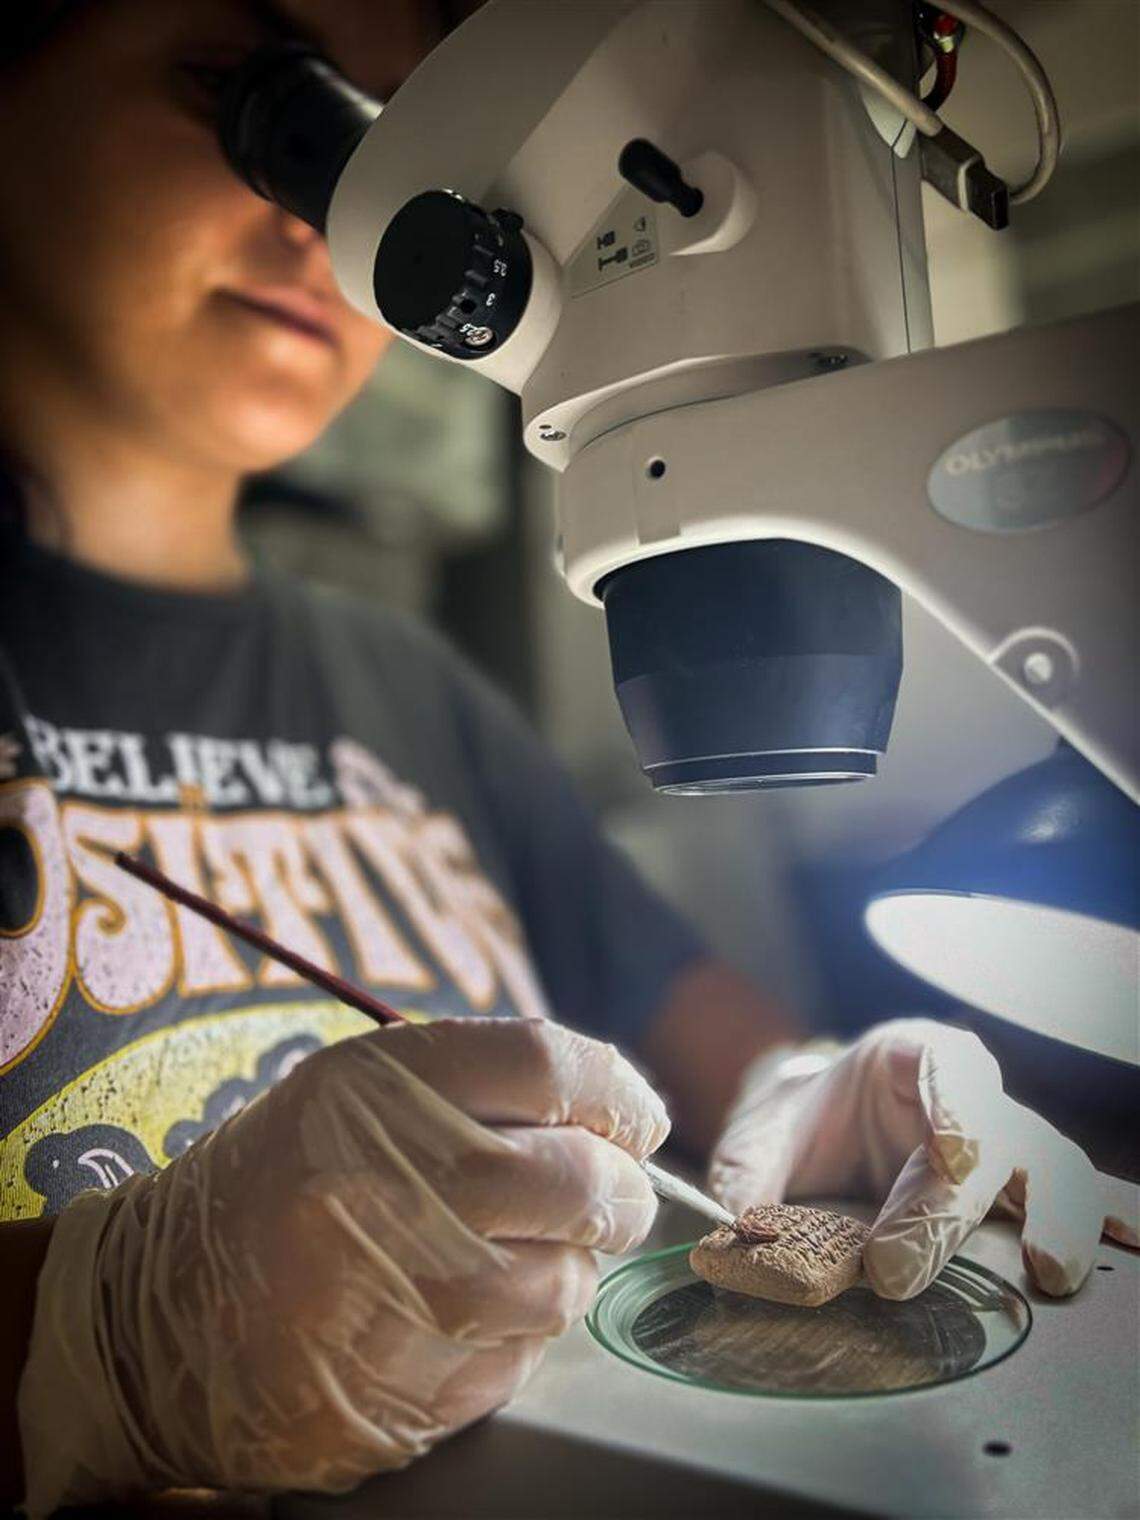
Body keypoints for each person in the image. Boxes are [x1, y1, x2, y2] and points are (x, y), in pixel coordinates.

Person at [0, 0, 1134, 1512]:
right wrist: (99, 1338)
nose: (331, 221)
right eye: (259, 101)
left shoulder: (410, 692)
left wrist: (828, 1110)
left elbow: (724, 1067)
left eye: (393, 153)